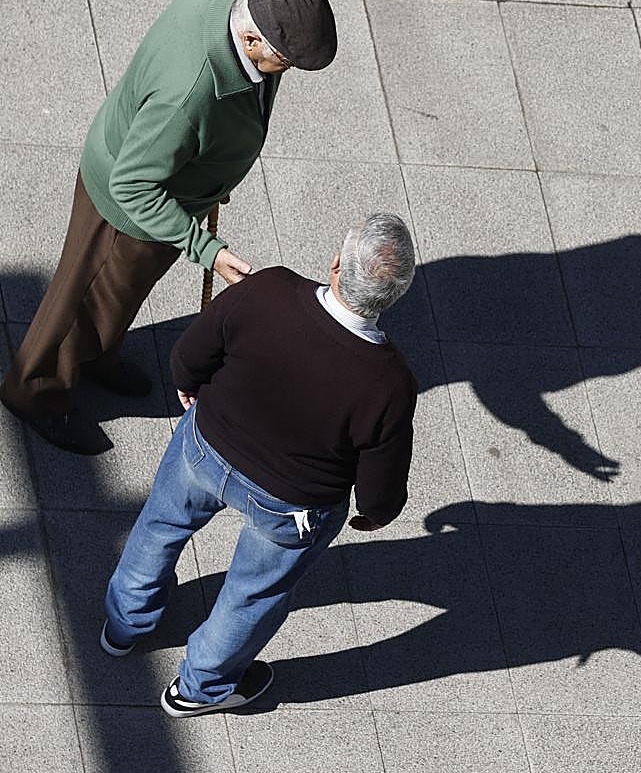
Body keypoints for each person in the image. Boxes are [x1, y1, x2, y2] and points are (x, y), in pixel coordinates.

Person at [0, 0, 338, 455]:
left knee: (116, 299)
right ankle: (35, 391)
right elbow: (133, 185)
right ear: (249, 36)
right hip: (126, 212)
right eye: (282, 61)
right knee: (82, 299)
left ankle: (96, 355)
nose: (284, 70)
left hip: (167, 184)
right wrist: (206, 249)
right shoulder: (190, 93)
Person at [100, 213, 418, 717]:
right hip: (291, 504)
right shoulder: (391, 383)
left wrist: (190, 383)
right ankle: (199, 689)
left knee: (159, 528)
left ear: (336, 265)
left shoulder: (269, 289)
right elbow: (381, 476)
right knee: (251, 594)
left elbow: (192, 352)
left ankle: (124, 624)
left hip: (206, 446)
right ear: (392, 298)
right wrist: (376, 511)